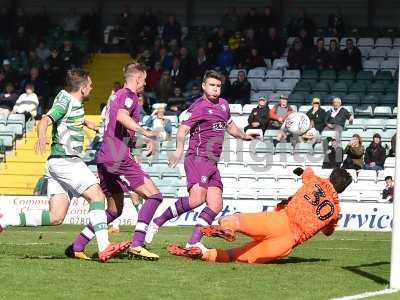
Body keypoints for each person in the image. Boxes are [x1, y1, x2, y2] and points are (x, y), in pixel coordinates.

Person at [0, 69, 128, 262]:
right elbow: (46, 119)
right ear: (83, 87)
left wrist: (86, 123)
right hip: (66, 160)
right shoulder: (66, 101)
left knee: (56, 217)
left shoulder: (70, 101)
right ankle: (105, 246)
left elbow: (67, 116)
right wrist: (42, 136)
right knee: (97, 196)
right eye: (90, 85)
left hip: (57, 164)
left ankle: (5, 219)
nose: (92, 88)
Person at [145, 70, 255, 253]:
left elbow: (231, 127)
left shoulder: (224, 105)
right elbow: (182, 130)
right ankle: (158, 221)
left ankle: (193, 242)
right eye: (212, 85)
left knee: (215, 204)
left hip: (212, 163)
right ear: (204, 86)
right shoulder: (198, 107)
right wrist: (179, 150)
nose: (216, 89)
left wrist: (244, 136)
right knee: (196, 200)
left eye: (218, 86)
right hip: (197, 158)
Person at [67, 63, 163, 261]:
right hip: (117, 157)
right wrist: (147, 133)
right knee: (154, 196)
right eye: (144, 80)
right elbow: (121, 117)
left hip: (106, 156)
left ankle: (77, 246)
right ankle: (137, 244)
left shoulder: (117, 96)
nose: (145, 84)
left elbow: (119, 130)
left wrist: (140, 142)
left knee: (114, 210)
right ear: (137, 79)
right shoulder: (129, 96)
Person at [169, 167, 352, 263]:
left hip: (279, 220)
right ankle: (203, 254)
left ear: (330, 176)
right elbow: (328, 232)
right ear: (342, 189)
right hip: (287, 242)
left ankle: (228, 230)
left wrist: (300, 172)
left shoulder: (314, 180)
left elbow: (304, 171)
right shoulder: (335, 211)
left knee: (233, 220)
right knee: (235, 256)